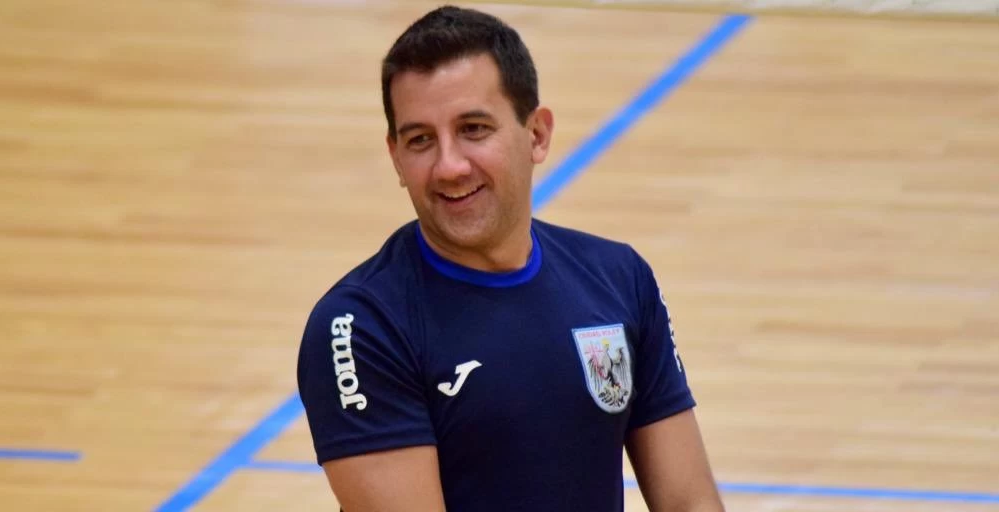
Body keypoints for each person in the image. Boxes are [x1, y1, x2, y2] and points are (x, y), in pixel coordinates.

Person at [296, 5, 724, 511]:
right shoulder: (362, 328)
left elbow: (690, 502)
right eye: (421, 140)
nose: (449, 166)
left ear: (536, 134)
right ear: (396, 158)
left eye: (474, 129)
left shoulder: (618, 279)